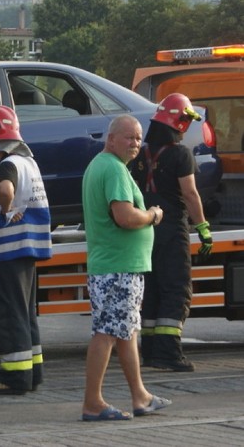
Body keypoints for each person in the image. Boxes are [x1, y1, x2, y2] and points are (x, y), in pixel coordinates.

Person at [80, 115, 171, 421]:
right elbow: (125, 216)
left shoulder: (101, 166)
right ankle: (93, 402)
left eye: (138, 138)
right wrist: (152, 215)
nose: (135, 144)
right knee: (107, 332)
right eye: (129, 137)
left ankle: (140, 396)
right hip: (116, 267)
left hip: (117, 266)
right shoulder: (114, 169)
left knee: (127, 332)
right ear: (111, 138)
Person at [130, 93, 212, 372]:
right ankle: (169, 354)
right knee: (176, 290)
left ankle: (151, 352)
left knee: (151, 290)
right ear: (179, 121)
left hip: (145, 230)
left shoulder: (140, 153)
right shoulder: (180, 154)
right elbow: (190, 193)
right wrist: (202, 227)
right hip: (173, 229)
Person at [0, 106, 52, 395]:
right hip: (28, 248)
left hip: (8, 250)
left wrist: (7, 212)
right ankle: (33, 373)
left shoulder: (8, 165)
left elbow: (5, 191)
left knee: (8, 313)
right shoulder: (29, 163)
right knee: (25, 312)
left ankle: (13, 378)